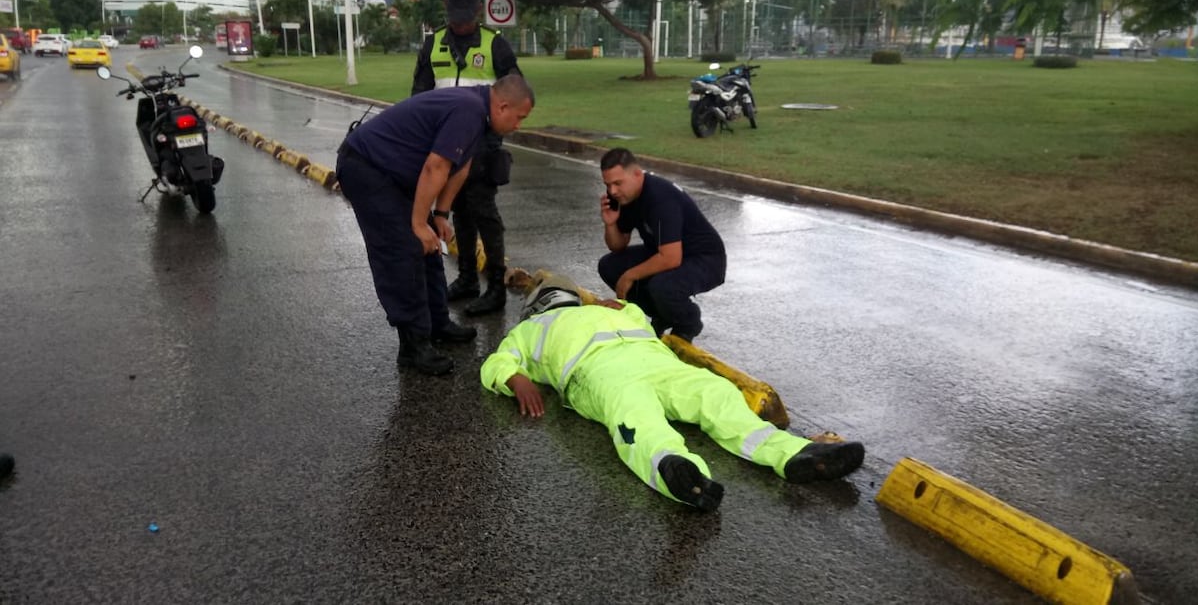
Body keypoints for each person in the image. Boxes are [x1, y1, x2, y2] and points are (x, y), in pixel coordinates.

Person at [480, 278, 865, 511]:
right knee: (635, 416)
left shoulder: (611, 311)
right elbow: (495, 363)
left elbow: (640, 318)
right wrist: (515, 379)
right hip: (600, 372)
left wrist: (623, 306)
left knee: (714, 393)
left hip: (655, 364)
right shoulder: (532, 331)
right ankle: (677, 474)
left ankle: (792, 454)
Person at [337, 74, 535, 375]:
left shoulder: (479, 114)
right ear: (503, 106)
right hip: (367, 168)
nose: (519, 125)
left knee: (428, 247)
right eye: (519, 117)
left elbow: (460, 168)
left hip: (394, 174)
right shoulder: (468, 110)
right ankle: (413, 346)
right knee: (403, 251)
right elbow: (436, 166)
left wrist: (440, 215)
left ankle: (437, 324)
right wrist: (418, 224)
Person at [412, 0, 523, 316]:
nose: (460, 22)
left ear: (478, 9)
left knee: (485, 213)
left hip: (484, 145)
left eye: (467, 14)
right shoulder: (432, 45)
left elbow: (515, 90)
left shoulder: (496, 46)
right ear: (445, 6)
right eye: (454, 13)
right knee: (458, 210)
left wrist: (494, 132)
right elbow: (419, 97)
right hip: (447, 145)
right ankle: (467, 280)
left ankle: (496, 289)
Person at [598, 148, 726, 342]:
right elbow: (618, 246)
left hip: (705, 259)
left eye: (617, 183)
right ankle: (662, 314)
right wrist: (611, 224)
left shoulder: (660, 198)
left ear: (637, 174)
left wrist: (629, 276)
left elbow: (670, 258)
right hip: (665, 252)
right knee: (609, 266)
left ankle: (688, 322)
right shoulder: (625, 196)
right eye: (608, 185)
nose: (613, 191)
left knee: (663, 286)